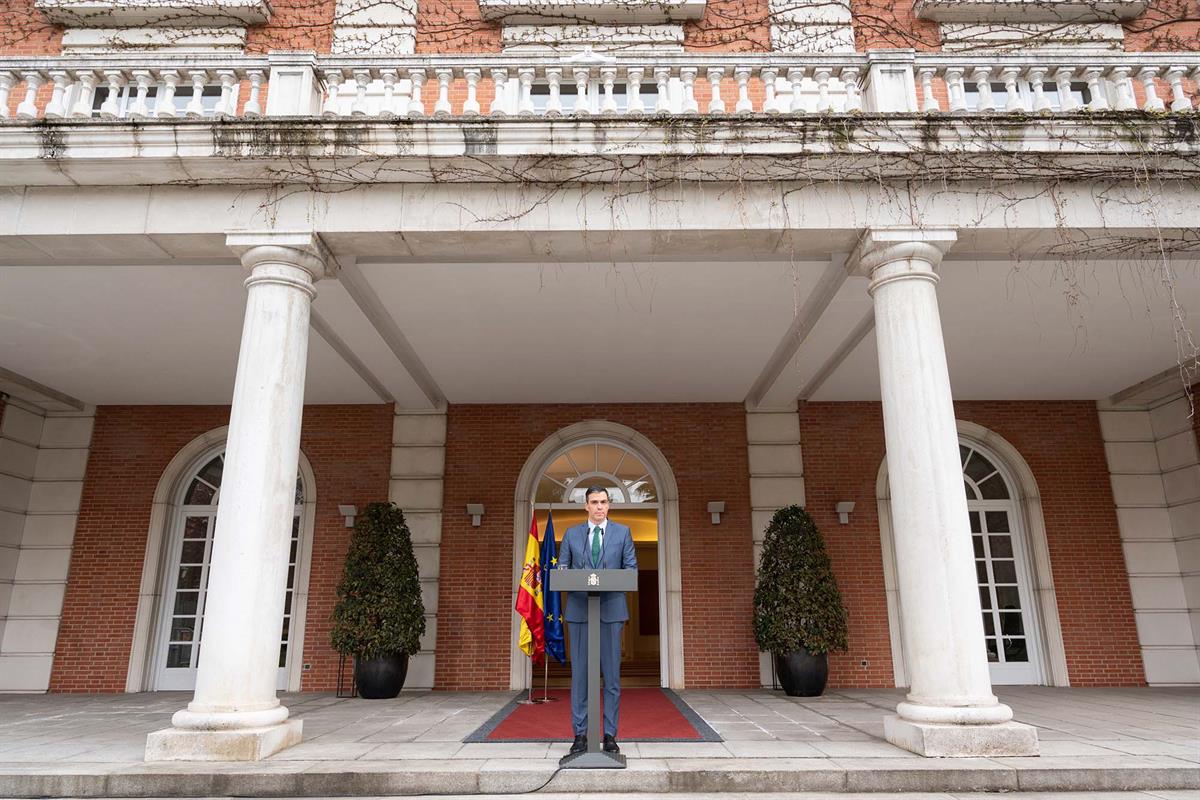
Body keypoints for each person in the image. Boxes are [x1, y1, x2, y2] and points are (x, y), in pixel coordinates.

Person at [558, 485, 637, 755]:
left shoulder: (623, 533)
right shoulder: (571, 534)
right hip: (581, 611)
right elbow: (562, 570)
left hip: (611, 611)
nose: (599, 507)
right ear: (586, 506)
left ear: (609, 505)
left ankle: (610, 734)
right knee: (580, 676)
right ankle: (580, 734)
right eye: (594, 502)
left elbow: (631, 571)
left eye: (603, 502)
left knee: (611, 677)